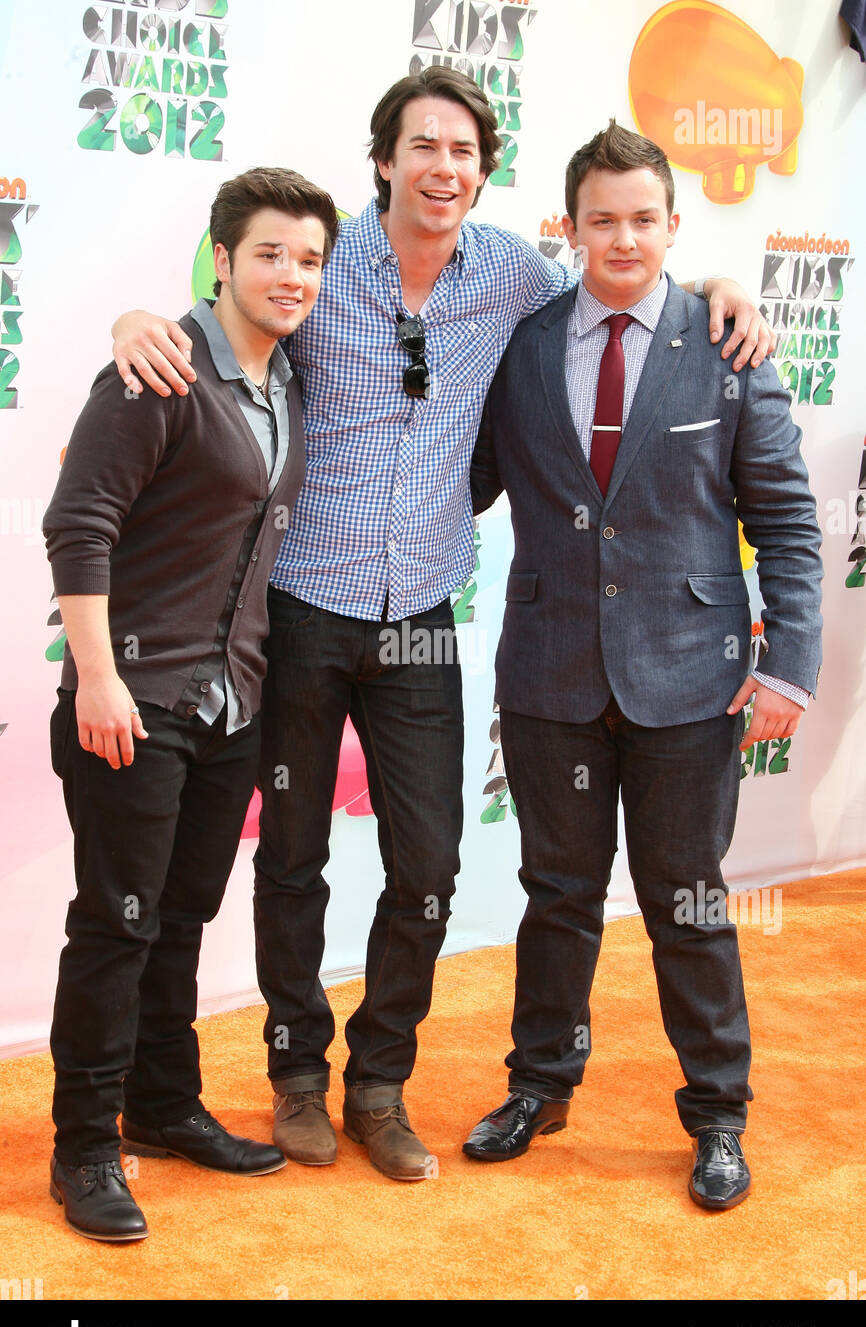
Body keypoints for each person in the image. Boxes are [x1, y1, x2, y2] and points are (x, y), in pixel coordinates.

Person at [110, 71, 776, 1183]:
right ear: (384, 160)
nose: (444, 168)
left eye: (464, 151)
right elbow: (230, 318)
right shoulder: (322, 262)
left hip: (421, 612)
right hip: (302, 608)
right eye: (423, 145)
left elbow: (622, 275)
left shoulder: (513, 272)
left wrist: (721, 288)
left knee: (427, 865)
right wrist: (140, 319)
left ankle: (380, 1082)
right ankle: (297, 1079)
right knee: (293, 858)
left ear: (483, 169)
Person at [463, 121, 822, 1209]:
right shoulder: (517, 346)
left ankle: (716, 1111)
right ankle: (539, 1082)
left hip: (691, 678)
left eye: (643, 219)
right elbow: (462, 475)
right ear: (567, 229)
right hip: (548, 677)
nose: (622, 238)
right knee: (556, 894)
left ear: (673, 225)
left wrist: (786, 667)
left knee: (688, 902)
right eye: (600, 220)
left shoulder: (728, 345)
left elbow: (789, 524)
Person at [43, 168, 340, 1241]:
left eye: (308, 257)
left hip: (229, 708)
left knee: (179, 920)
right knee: (115, 926)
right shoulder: (155, 370)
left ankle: (162, 1106)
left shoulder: (291, 384)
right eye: (269, 253)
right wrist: (99, 678)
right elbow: (77, 524)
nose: (290, 274)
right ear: (222, 259)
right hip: (133, 696)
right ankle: (83, 1148)